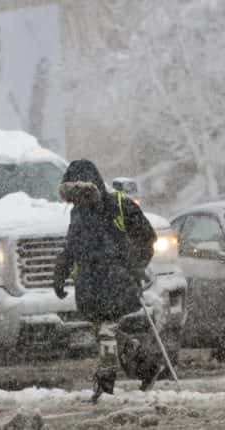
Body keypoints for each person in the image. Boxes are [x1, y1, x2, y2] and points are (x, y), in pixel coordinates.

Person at [52, 159, 156, 403]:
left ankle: (105, 383)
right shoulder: (78, 213)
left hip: (116, 281)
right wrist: (61, 271)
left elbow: (147, 238)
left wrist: (135, 266)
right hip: (90, 284)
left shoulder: (120, 205)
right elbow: (72, 247)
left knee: (107, 331)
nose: (77, 199)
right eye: (72, 194)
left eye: (81, 192)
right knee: (104, 331)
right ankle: (147, 366)